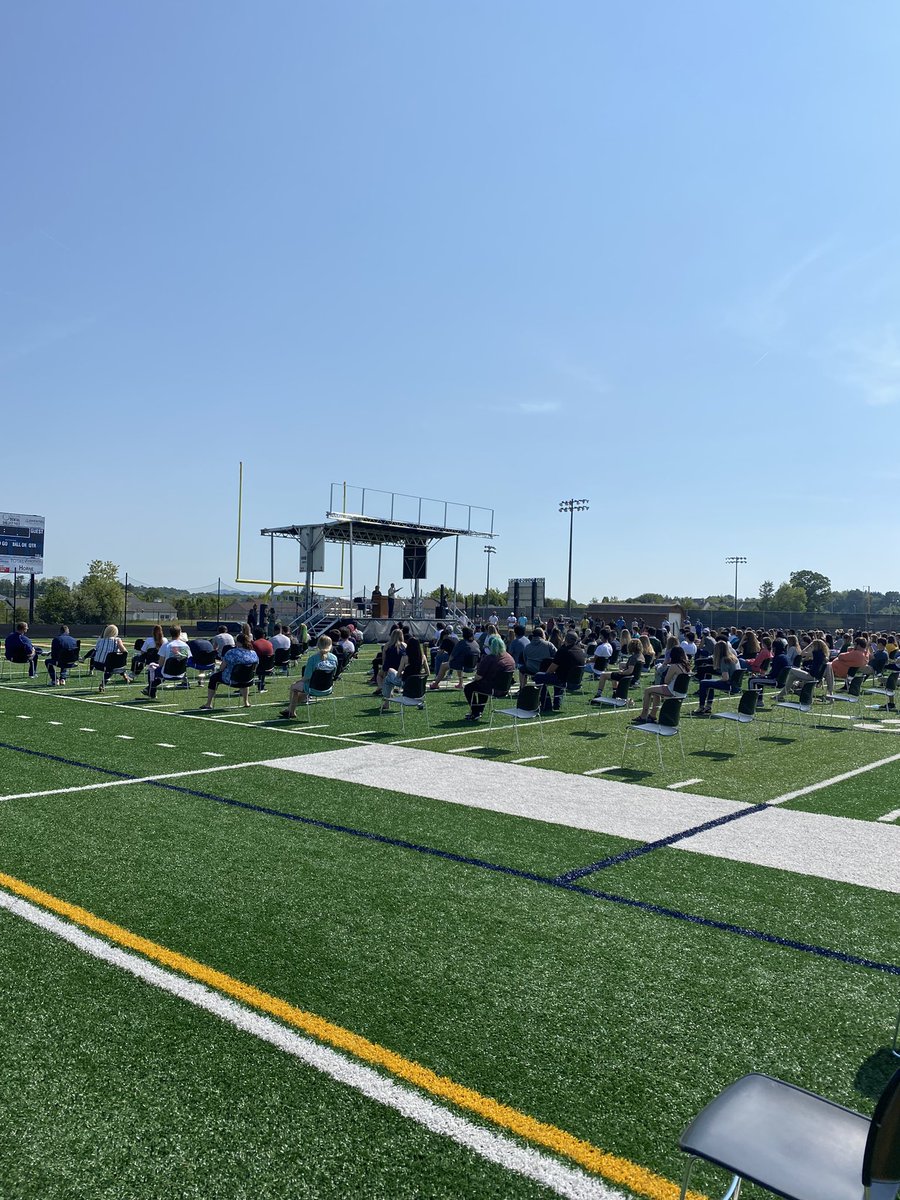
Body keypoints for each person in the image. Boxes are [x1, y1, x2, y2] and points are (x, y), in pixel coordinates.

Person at [280, 635, 338, 717]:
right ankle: (289, 710)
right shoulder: (334, 658)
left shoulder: (313, 659)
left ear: (318, 645)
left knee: (294, 687)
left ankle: (291, 711)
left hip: (313, 688)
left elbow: (307, 677)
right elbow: (334, 674)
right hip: (328, 688)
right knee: (303, 691)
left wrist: (298, 681)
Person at [199, 633, 258, 710]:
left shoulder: (231, 652)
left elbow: (222, 668)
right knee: (244, 675)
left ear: (238, 642)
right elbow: (254, 667)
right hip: (248, 680)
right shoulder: (253, 653)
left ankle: (208, 704)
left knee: (214, 677)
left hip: (232, 679)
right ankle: (246, 702)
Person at [463, 635, 514, 722]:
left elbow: (478, 677)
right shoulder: (509, 657)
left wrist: (475, 679)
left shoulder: (490, 658)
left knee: (469, 688)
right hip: (505, 689)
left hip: (493, 688)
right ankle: (479, 711)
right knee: (481, 685)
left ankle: (475, 712)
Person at [632, 646, 690, 724]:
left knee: (647, 690)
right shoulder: (687, 667)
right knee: (656, 692)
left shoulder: (674, 666)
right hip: (681, 692)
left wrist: (665, 665)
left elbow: (666, 681)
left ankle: (643, 715)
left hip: (673, 691)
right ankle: (652, 715)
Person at [534, 630, 586, 711]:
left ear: (565, 639)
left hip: (564, 681)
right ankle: (557, 703)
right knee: (560, 674)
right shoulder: (581, 651)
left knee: (538, 677)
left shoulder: (563, 651)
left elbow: (551, 670)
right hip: (577, 682)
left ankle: (546, 704)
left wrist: (545, 674)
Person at [692, 637, 740, 716]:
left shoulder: (724, 660)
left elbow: (725, 678)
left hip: (729, 685)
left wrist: (718, 680)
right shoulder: (733, 657)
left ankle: (701, 707)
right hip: (736, 685)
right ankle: (708, 706)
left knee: (704, 683)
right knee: (709, 683)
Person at [380, 635, 426, 713]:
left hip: (405, 683)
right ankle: (418, 702)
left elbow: (398, 675)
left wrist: (403, 673)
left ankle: (387, 699)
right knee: (389, 676)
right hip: (418, 684)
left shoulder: (405, 657)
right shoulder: (423, 657)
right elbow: (427, 673)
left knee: (389, 676)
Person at [142, 625, 190, 698]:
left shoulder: (166, 646)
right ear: (180, 633)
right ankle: (150, 689)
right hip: (181, 673)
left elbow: (160, 664)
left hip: (167, 672)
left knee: (151, 669)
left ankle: (152, 692)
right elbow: (187, 660)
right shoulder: (185, 646)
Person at [89, 625, 132, 691]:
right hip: (109, 666)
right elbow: (124, 651)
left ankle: (124, 676)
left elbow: (96, 650)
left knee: (113, 662)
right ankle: (103, 684)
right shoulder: (117, 640)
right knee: (115, 663)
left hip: (97, 664)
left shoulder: (100, 640)